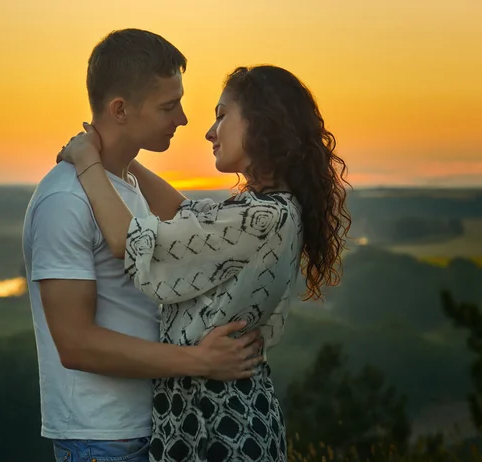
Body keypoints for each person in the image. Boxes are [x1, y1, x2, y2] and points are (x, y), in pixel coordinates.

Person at [58, 64, 351, 461]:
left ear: (262, 121)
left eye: (221, 115)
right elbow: (185, 214)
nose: (210, 132)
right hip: (215, 414)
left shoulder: (264, 216)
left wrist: (88, 161)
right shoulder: (266, 210)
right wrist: (120, 155)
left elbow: (130, 243)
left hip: (223, 423)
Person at [22, 29, 263, 462]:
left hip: (157, 429)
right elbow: (75, 344)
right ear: (120, 109)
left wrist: (111, 156)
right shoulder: (65, 199)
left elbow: (192, 222)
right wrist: (202, 362)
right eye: (168, 106)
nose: (184, 119)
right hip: (102, 440)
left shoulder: (125, 188)